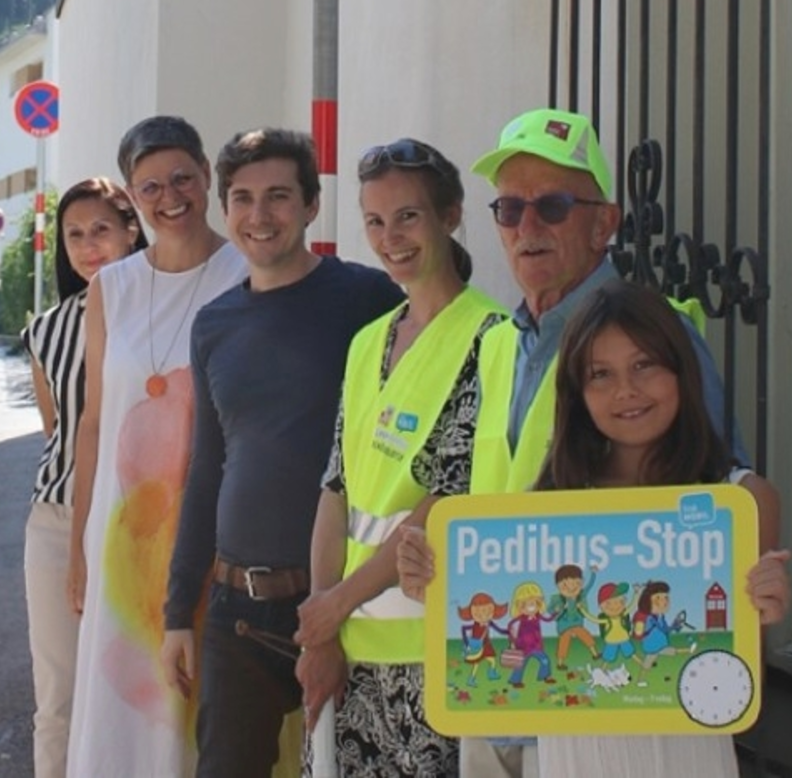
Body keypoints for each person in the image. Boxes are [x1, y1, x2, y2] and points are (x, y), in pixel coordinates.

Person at [400, 282, 792, 778]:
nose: (626, 390)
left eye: (644, 364)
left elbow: (737, 675)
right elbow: (496, 649)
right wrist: (430, 587)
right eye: (600, 374)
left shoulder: (743, 501)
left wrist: (767, 602)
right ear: (577, 393)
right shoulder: (545, 513)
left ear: (681, 369)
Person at [462, 107, 745, 778]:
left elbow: (732, 502)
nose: (527, 226)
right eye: (509, 208)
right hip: (508, 693)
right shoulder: (499, 340)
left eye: (552, 205)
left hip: (627, 715)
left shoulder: (661, 333)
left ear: (605, 222)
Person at [158, 128, 403, 778]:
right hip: (236, 609)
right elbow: (205, 470)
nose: (259, 216)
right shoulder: (213, 324)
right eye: (241, 198)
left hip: (347, 602)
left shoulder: (369, 298)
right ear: (225, 208)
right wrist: (179, 612)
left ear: (312, 205)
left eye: (277, 196)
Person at [292, 138, 509, 776]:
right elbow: (336, 490)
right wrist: (326, 626)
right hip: (351, 655)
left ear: (449, 215)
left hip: (433, 658)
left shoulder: (491, 339)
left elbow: (447, 499)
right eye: (375, 221)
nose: (390, 237)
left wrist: (332, 607)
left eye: (408, 216)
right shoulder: (368, 343)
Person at [66, 116, 249, 777]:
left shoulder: (244, 271)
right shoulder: (110, 287)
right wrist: (80, 539)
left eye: (182, 178)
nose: (169, 196)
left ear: (206, 176)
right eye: (150, 186)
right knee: (119, 710)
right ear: (131, 194)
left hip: (210, 535)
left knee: (190, 711)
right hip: (122, 536)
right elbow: (92, 421)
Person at [18, 176, 144, 778]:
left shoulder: (156, 311)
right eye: (74, 235)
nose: (89, 246)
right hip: (57, 516)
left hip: (140, 520)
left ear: (131, 231)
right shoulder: (45, 331)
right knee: (58, 699)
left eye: (101, 230)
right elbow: (58, 434)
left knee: (133, 692)